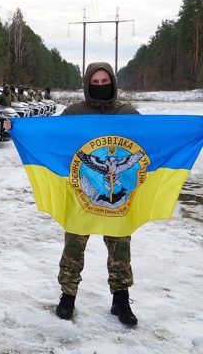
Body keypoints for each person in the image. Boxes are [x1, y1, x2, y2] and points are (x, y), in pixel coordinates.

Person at [57, 62, 140, 325]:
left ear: (113, 83)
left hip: (119, 198)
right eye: (96, 82)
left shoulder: (127, 113)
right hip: (83, 193)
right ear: (87, 84)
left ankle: (121, 299)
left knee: (120, 249)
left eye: (105, 82)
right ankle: (67, 296)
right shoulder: (73, 113)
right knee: (73, 246)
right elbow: (52, 140)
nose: (101, 86)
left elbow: (150, 142)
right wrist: (17, 129)